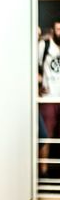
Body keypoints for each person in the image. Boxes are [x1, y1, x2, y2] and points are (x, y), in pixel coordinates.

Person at [38, 17, 60, 176]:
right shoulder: (44, 46)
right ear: (53, 31)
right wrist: (37, 85)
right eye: (59, 29)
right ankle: (43, 171)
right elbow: (31, 66)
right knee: (46, 135)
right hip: (48, 99)